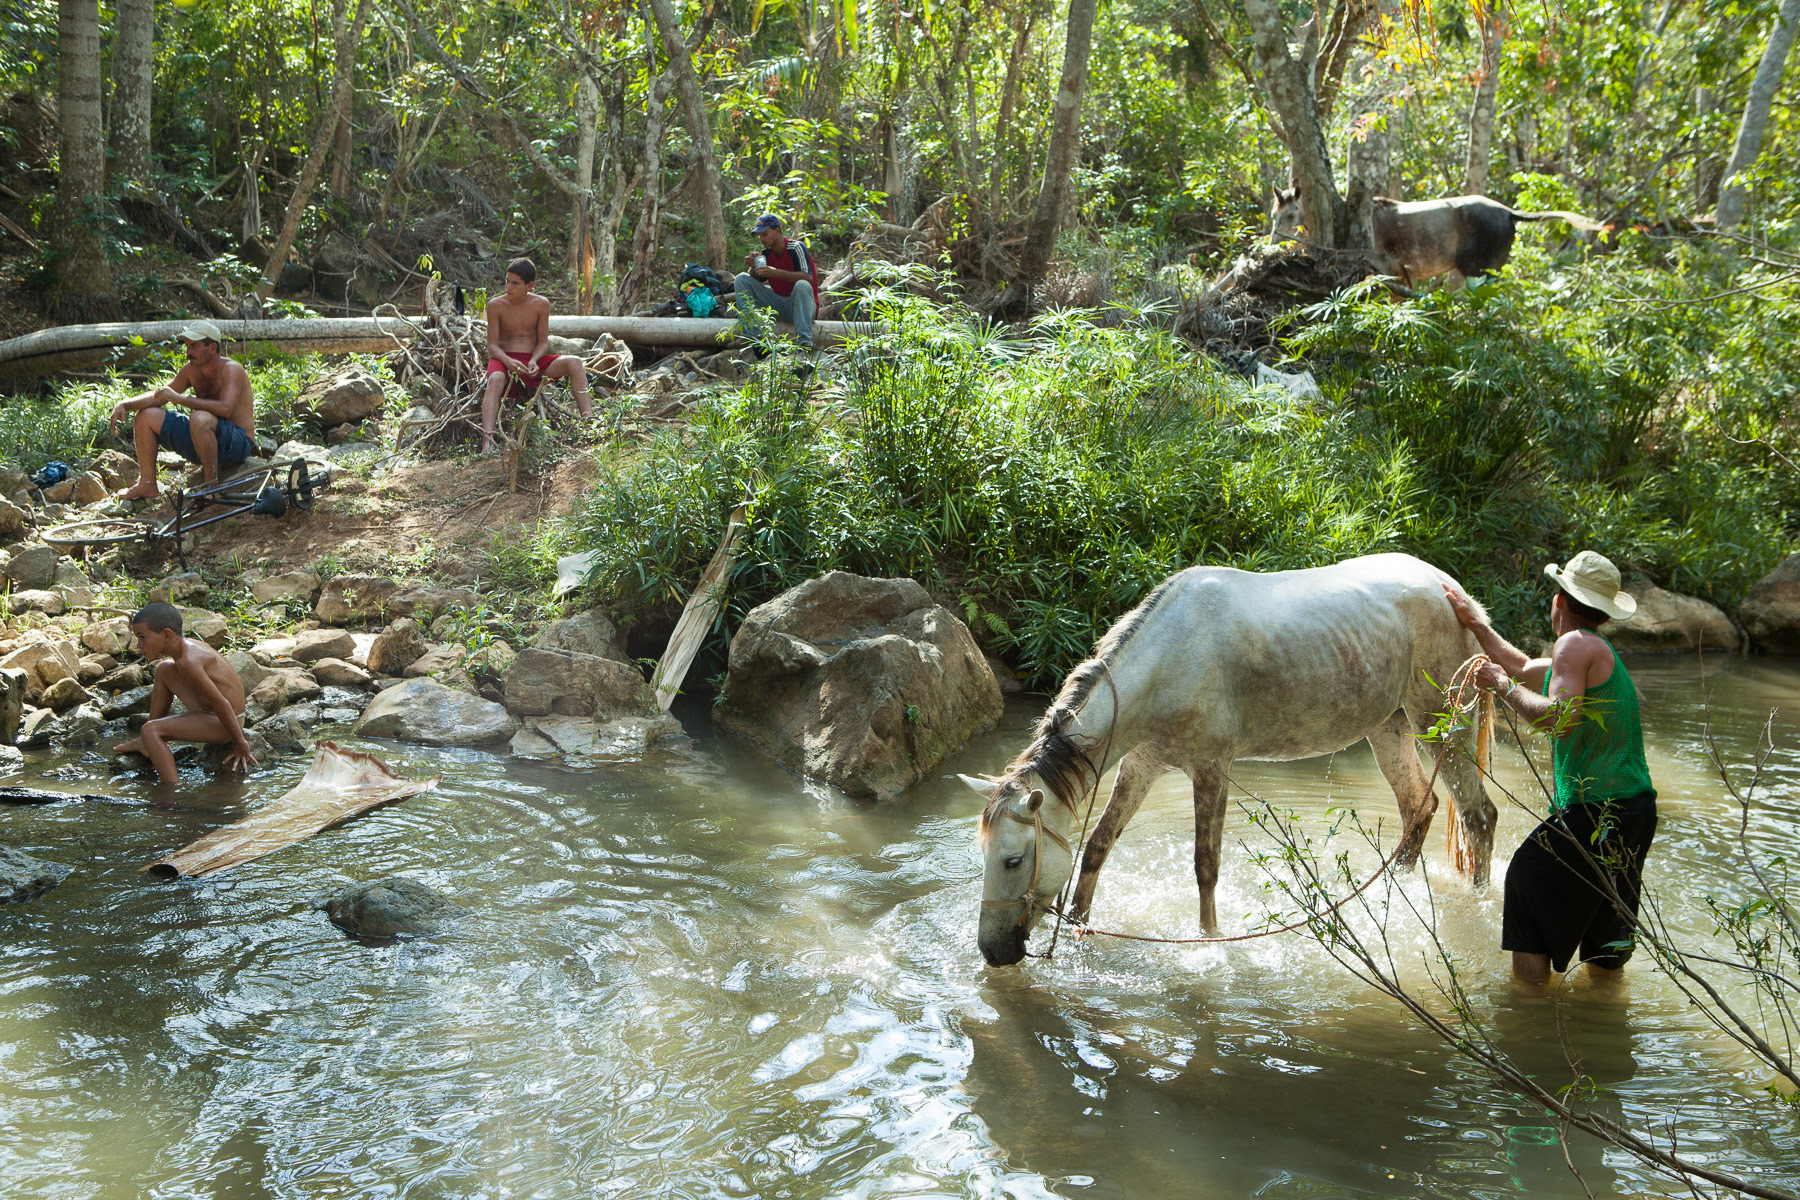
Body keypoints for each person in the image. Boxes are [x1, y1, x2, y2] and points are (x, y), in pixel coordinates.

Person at [1443, 551, 1658, 989]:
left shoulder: (1574, 645)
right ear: (1605, 613)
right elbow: (1523, 667)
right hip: (1634, 810)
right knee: (1605, 926)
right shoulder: (1592, 650)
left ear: (1558, 600)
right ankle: (1605, 1012)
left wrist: (1500, 685)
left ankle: (1530, 1008)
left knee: (1525, 879)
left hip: (1599, 808)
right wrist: (1477, 626)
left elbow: (1558, 719)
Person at [110, 320, 258, 501]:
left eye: (194, 346)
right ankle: (147, 484)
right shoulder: (190, 370)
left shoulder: (231, 369)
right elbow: (160, 395)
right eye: (187, 346)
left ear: (212, 347)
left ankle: (210, 486)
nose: (188, 352)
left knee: (199, 418)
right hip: (202, 438)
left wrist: (180, 399)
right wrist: (124, 405)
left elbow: (225, 409)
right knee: (146, 415)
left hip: (237, 444)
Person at [112, 602, 258, 785]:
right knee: (163, 669)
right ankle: (145, 742)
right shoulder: (186, 649)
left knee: (150, 729)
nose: (139, 645)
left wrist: (240, 742)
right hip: (214, 714)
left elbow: (221, 703)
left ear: (167, 634)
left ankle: (171, 791)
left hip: (226, 723)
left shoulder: (189, 661)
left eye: (142, 637)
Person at [480, 258, 594, 455]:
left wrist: (534, 360)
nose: (508, 286)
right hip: (504, 360)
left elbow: (542, 342)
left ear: (529, 285)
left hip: (533, 361)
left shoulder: (541, 304)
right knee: (495, 379)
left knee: (575, 362)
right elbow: (492, 345)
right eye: (507, 281)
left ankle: (589, 425)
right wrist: (508, 361)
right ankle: (487, 441)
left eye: (515, 283)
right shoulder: (495, 305)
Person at [734, 213, 819, 352]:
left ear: (777, 230)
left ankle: (804, 343)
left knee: (802, 285)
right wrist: (753, 267)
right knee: (741, 279)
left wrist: (776, 272)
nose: (762, 239)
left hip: (803, 307)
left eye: (765, 234)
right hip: (778, 305)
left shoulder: (796, 248)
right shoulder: (766, 253)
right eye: (759, 236)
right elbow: (757, 279)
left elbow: (808, 278)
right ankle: (752, 337)